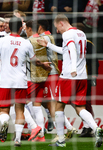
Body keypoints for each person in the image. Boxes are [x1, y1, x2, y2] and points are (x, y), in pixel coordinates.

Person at [0, 16, 52, 147]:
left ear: (8, 27)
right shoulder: (26, 43)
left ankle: (4, 122)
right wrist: (44, 65)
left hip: (5, 82)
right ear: (21, 28)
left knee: (4, 110)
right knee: (20, 110)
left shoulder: (2, 41)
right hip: (20, 81)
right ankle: (18, 139)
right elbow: (34, 61)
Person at [37, 13, 103, 147]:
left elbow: (72, 49)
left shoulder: (67, 34)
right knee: (80, 108)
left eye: (57, 27)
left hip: (69, 76)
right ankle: (97, 129)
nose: (57, 31)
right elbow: (65, 50)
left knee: (58, 106)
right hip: (82, 76)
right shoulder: (81, 34)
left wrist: (73, 67)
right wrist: (48, 45)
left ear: (61, 23)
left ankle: (61, 140)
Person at [25, 19, 77, 142]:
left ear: (39, 28)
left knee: (52, 104)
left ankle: (66, 128)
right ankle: (48, 129)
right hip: (50, 73)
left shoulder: (43, 39)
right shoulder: (49, 36)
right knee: (44, 103)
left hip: (49, 73)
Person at [72, 22, 99, 137]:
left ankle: (88, 127)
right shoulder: (73, 43)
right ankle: (87, 126)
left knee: (85, 102)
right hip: (75, 78)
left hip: (86, 77)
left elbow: (94, 61)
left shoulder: (88, 44)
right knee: (75, 101)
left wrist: (93, 76)